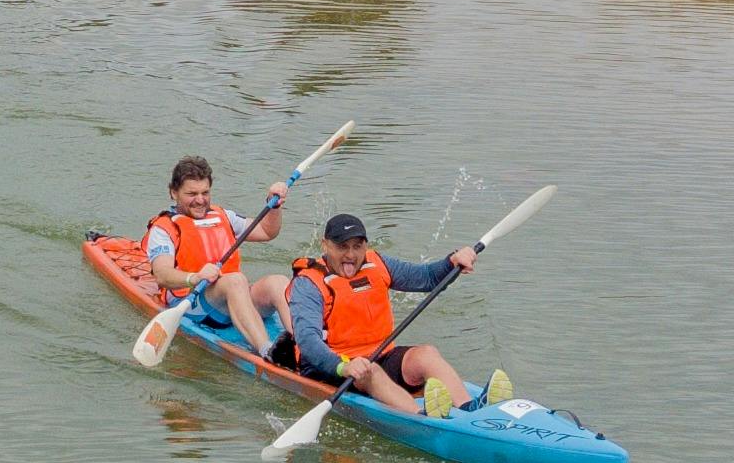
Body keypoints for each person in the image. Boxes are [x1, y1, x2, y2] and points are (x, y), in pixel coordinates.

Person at [245, 212, 510, 419]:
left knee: (426, 353)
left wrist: (452, 262)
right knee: (369, 371)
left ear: (366, 246)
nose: (351, 255)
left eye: (357, 246)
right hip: (331, 366)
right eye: (342, 246)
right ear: (325, 245)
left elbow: (427, 278)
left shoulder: (377, 264)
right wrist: (344, 365)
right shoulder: (310, 283)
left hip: (379, 354)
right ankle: (421, 418)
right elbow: (307, 342)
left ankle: (469, 409)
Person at [143, 156, 286, 330]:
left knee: (278, 283)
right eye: (192, 194)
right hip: (192, 304)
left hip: (233, 295)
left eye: (205, 193)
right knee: (235, 281)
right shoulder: (164, 228)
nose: (200, 200)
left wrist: (275, 206)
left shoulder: (223, 216)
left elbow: (266, 231)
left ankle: (303, 344)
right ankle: (266, 349)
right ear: (174, 192)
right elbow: (162, 275)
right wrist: (195, 277)